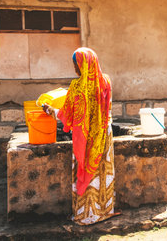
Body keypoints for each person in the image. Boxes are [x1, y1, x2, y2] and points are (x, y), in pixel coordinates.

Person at [43, 47, 121, 225]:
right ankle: (105, 210)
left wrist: (50, 110)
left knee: (86, 170)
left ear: (81, 64)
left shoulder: (77, 86)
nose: (74, 68)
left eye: (75, 64)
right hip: (103, 134)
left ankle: (86, 215)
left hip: (85, 138)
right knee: (103, 172)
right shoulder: (106, 81)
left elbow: (66, 115)